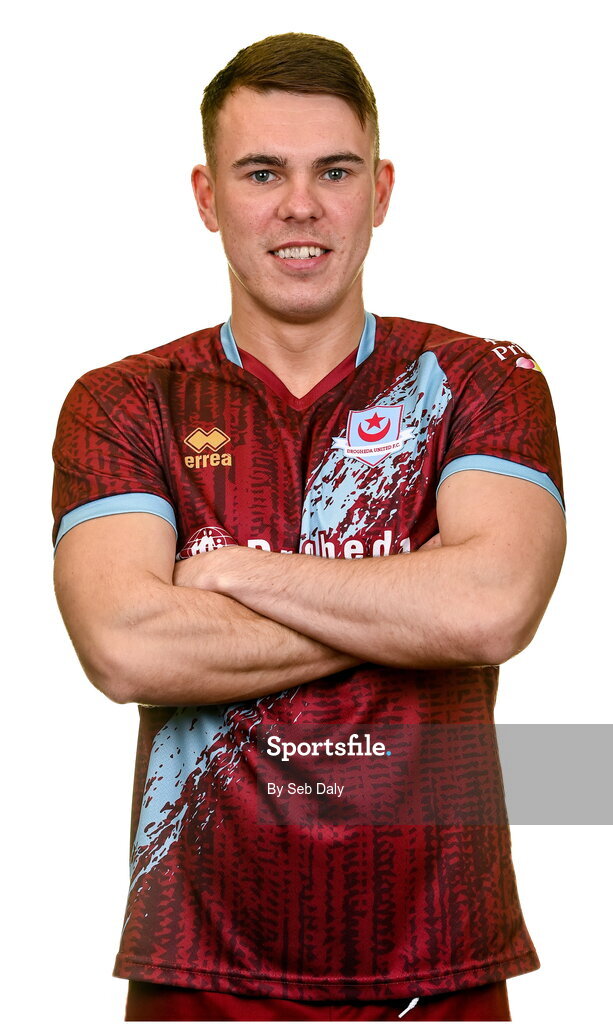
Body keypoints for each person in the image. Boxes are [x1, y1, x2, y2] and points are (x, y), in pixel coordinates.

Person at [52, 32, 566, 1023]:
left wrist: (231, 572)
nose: (301, 206)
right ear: (207, 197)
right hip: (199, 965)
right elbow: (123, 647)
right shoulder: (123, 402)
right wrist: (414, 598)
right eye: (262, 172)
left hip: (438, 961)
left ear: (379, 188)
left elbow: (493, 608)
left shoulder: (482, 381)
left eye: (333, 171)